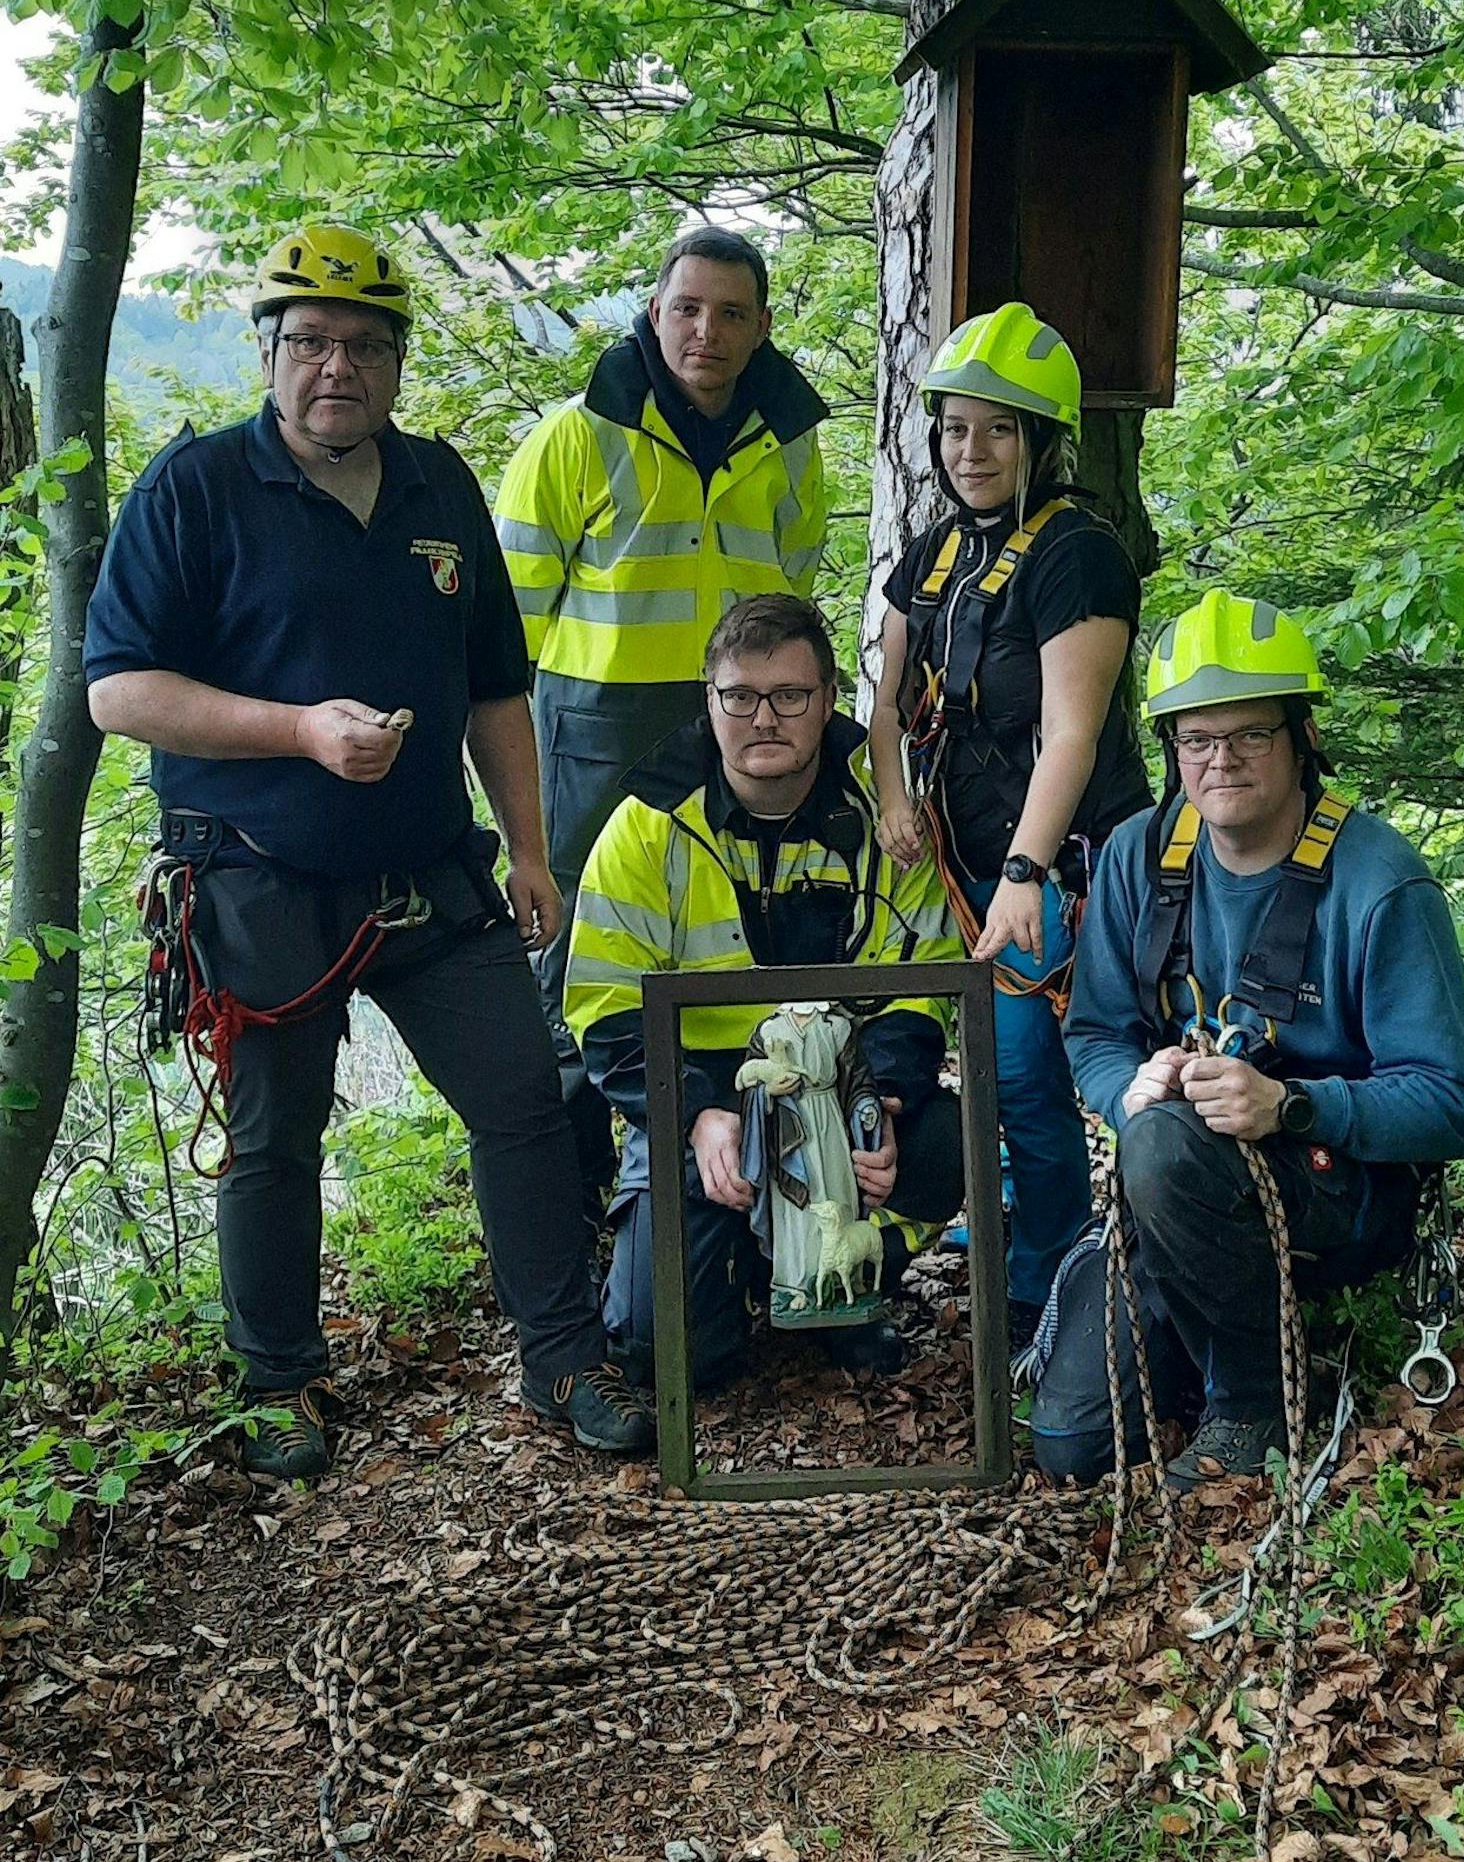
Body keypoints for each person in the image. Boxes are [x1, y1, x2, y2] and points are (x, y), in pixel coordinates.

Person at [83, 219, 652, 1479]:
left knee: (523, 1102)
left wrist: (531, 853)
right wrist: (295, 729)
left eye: (364, 346)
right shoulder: (196, 490)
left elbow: (497, 688)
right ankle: (276, 1381)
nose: (335, 366)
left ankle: (561, 1359)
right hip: (257, 873)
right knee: (278, 1138)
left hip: (426, 872)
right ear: (270, 352)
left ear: (397, 362)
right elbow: (118, 692)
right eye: (311, 342)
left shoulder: (440, 486)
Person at [1022, 588, 1464, 1489]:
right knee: (1071, 1444)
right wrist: (1133, 1087)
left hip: (1339, 1192)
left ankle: (1256, 1398)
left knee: (1164, 1150)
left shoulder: (1379, 883)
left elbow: (1453, 1103)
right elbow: (1096, 1035)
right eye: (1196, 739)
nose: (1220, 760)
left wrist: (1292, 1104)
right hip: (1179, 1191)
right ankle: (1221, 1315)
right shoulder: (1138, 857)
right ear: (1171, 749)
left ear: (1301, 735)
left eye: (1249, 736)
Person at [494, 226, 829, 1204]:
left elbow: (790, 590)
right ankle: (567, 1197)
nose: (706, 331)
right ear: (654, 313)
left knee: (740, 935)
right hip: (593, 734)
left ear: (761, 326)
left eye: (731, 314)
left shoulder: (790, 441)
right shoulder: (575, 434)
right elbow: (501, 633)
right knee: (570, 962)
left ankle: (728, 1180)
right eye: (686, 308)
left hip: (741, 732)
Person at [564, 593, 965, 1393]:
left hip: (838, 1094)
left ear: (827, 702)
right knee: (668, 1356)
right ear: (708, 703)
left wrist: (875, 1104)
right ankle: (744, 1263)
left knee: (949, 1136)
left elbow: (925, 993)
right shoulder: (644, 827)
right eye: (739, 697)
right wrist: (696, 1114)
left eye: (790, 696)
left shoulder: (889, 825)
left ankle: (849, 1291)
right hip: (706, 1106)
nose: (764, 718)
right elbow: (605, 1014)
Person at [868, 305, 1148, 1349]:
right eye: (952, 429)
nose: (968, 451)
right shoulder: (937, 551)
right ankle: (1042, 1229)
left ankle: (1050, 1283)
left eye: (995, 430)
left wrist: (1027, 870)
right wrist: (895, 798)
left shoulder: (1075, 554)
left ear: (1040, 441)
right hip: (972, 861)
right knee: (994, 1064)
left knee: (1032, 1066)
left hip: (1064, 862)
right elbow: (886, 703)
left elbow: (1072, 735)